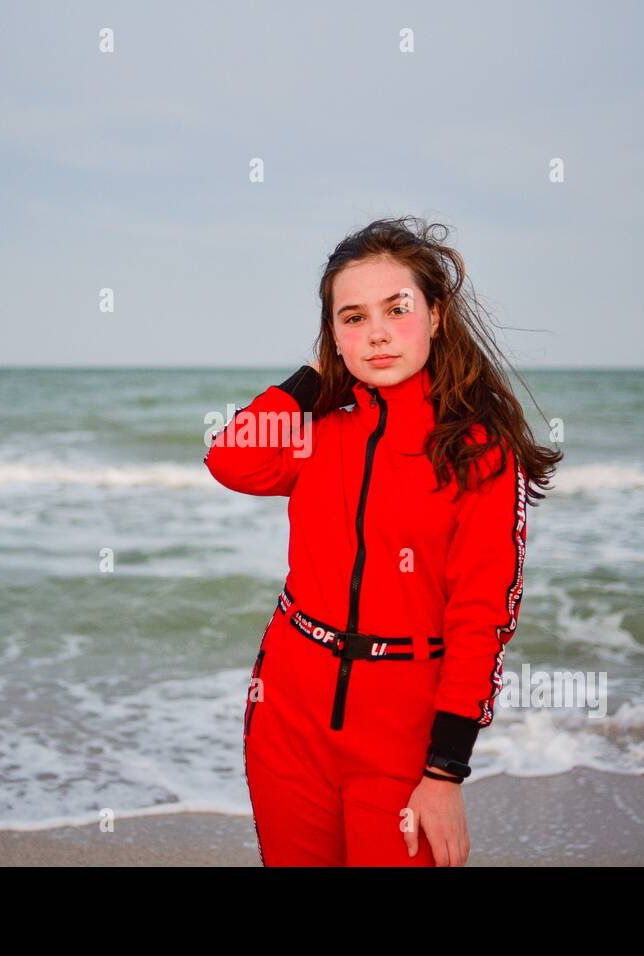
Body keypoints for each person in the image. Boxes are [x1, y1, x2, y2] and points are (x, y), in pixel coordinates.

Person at [204, 216, 562, 866]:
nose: (376, 333)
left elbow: (482, 616)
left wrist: (445, 771)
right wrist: (315, 376)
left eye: (397, 309)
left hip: (402, 736)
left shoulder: (479, 452)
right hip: (288, 718)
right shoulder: (321, 434)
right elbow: (232, 458)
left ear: (436, 316)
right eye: (353, 317)